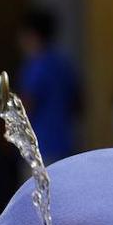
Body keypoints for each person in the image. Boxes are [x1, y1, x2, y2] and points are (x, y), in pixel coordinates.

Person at [16, 9, 80, 165]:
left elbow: (26, 106)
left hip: (40, 146)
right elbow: (79, 103)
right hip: (65, 143)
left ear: (31, 34)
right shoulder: (64, 63)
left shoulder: (36, 66)